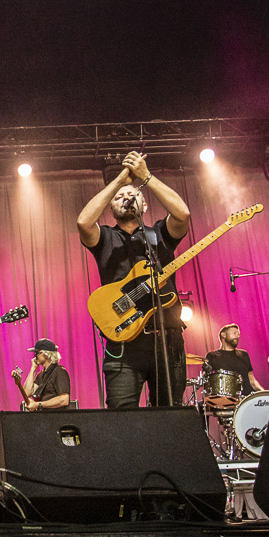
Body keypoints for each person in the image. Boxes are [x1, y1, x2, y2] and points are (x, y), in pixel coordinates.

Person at [76, 150, 191, 408]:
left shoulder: (159, 233)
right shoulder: (105, 237)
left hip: (167, 338)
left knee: (170, 417)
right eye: (119, 198)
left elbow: (183, 214)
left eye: (133, 194)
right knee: (122, 418)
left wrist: (146, 176)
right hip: (123, 342)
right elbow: (83, 222)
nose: (126, 198)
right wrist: (120, 180)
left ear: (145, 206)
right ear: (111, 208)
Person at [204, 323, 266, 397]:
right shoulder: (212, 356)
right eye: (234, 333)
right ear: (223, 335)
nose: (237, 336)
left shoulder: (243, 354)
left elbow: (252, 381)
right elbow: (206, 381)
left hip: (246, 398)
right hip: (225, 399)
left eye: (238, 334)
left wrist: (265, 393)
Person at [21, 338, 71, 411]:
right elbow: (26, 393)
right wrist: (33, 369)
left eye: (37, 353)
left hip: (57, 416)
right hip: (44, 416)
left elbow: (64, 400)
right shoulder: (41, 374)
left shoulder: (59, 372)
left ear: (46, 354)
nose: (35, 356)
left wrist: (38, 404)